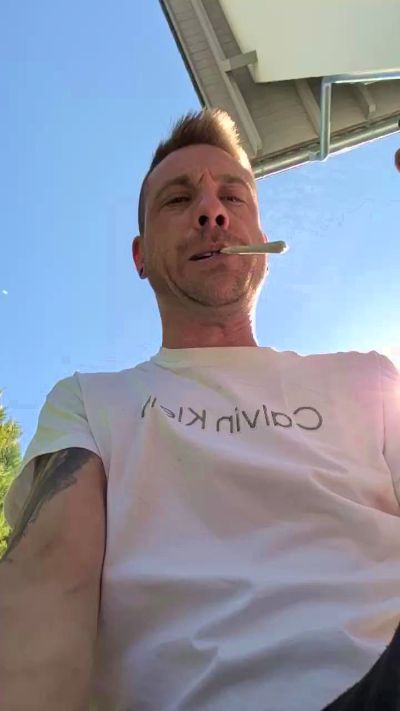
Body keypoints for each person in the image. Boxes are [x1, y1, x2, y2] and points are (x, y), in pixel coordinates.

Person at [1, 109, 399, 710]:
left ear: (262, 238)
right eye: (179, 200)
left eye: (232, 197)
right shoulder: (91, 403)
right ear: (140, 256)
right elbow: (49, 580)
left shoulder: (370, 382)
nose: (212, 213)